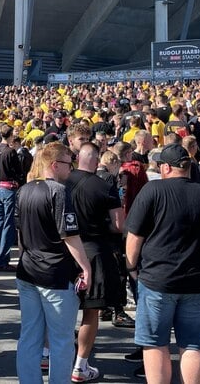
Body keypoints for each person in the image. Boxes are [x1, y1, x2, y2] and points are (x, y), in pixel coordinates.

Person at [125, 144, 200, 384]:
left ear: (165, 167)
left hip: (157, 279)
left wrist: (131, 267)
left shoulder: (152, 191)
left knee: (154, 344)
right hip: (198, 280)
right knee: (193, 345)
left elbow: (134, 236)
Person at [14, 141, 92, 384]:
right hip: (55, 274)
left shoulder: (24, 190)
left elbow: (20, 235)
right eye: (69, 164)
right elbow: (69, 234)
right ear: (55, 165)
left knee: (30, 336)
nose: (72, 169)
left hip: (28, 271)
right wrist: (86, 267)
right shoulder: (58, 191)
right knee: (61, 340)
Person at [68, 141, 125, 382]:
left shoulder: (62, 182)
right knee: (91, 312)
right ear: (97, 159)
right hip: (95, 251)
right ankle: (80, 365)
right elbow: (118, 224)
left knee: (60, 310)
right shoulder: (104, 186)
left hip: (65, 250)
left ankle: (47, 354)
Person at [0, 123, 25, 271]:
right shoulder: (10, 152)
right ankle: (3, 260)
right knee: (7, 224)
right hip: (9, 188)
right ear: (10, 135)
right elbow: (19, 171)